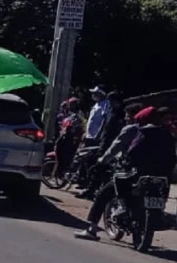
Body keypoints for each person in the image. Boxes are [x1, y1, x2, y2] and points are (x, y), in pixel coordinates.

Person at [74, 106, 177, 241]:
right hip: (161, 176)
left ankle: (92, 229)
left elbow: (118, 150)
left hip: (136, 173)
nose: (127, 118)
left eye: (129, 116)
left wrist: (102, 161)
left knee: (104, 194)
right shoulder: (167, 133)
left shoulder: (137, 130)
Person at [54, 97, 84, 178]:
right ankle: (61, 171)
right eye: (70, 104)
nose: (71, 106)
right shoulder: (66, 114)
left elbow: (79, 127)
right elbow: (61, 126)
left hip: (72, 138)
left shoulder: (78, 115)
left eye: (73, 104)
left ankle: (65, 172)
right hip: (64, 137)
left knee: (69, 156)